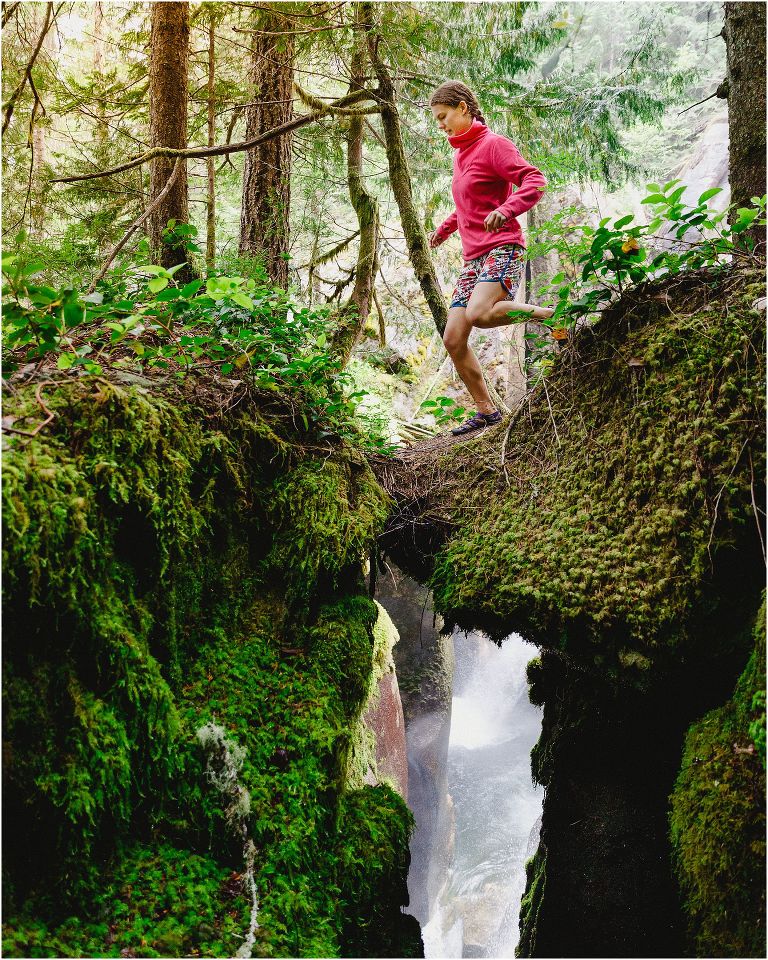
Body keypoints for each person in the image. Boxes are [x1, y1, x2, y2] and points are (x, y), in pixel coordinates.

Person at [429, 80, 553, 435]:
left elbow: (535, 180)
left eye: (444, 116)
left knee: (480, 314)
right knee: (453, 337)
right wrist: (445, 228)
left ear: (463, 108)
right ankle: (487, 412)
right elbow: (468, 203)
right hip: (474, 257)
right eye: (437, 119)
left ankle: (548, 316)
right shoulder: (460, 155)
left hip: (503, 246)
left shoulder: (494, 145)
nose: (441, 125)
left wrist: (508, 207)